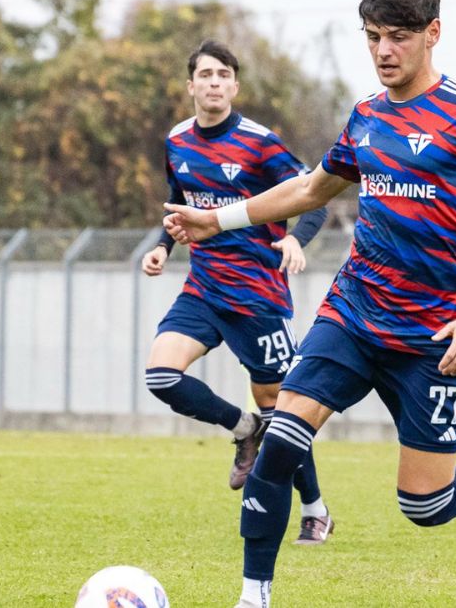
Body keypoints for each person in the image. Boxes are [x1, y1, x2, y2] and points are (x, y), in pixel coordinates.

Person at [164, 0, 456, 606]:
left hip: (432, 333)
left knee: (427, 505)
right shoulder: (367, 115)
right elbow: (309, 189)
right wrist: (215, 220)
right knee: (280, 441)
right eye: (374, 36)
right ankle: (253, 596)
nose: (383, 51)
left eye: (398, 37)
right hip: (352, 314)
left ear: (433, 34)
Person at [142, 39, 334, 546]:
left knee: (284, 411)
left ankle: (315, 509)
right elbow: (179, 201)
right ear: (190, 85)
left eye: (223, 75)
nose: (214, 83)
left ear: (235, 86)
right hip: (204, 289)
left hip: (258, 296)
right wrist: (163, 245)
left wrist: (294, 238)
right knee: (161, 375)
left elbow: (314, 199)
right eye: (205, 74)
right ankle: (244, 429)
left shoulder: (260, 143)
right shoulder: (177, 140)